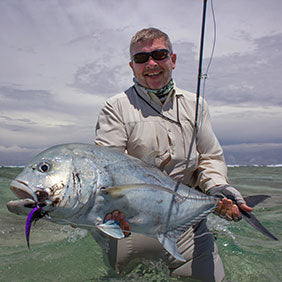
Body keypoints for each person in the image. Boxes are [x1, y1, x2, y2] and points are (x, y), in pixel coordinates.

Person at [94, 27, 252, 281]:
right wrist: (112, 214)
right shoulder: (116, 107)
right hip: (133, 226)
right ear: (132, 66)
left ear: (173, 60)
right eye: (142, 58)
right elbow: (108, 168)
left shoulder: (195, 104)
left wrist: (218, 188)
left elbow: (209, 158)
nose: (152, 63)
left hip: (187, 225)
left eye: (159, 54)